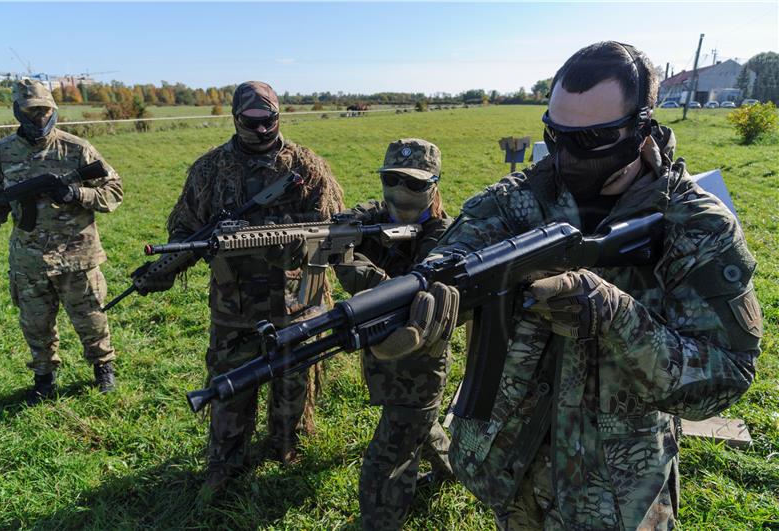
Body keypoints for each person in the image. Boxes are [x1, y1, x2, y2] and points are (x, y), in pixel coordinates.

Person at [371, 42, 762, 529]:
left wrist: (616, 315)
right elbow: (448, 263)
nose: (566, 156)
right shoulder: (515, 202)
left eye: (591, 139)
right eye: (556, 136)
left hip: (617, 496)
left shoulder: (699, 226)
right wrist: (411, 303)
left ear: (642, 130)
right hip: (509, 473)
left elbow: (725, 377)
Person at [141, 81, 343, 493]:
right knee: (231, 387)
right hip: (234, 307)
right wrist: (166, 267)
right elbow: (186, 229)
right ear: (235, 119)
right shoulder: (209, 169)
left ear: (279, 116)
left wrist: (296, 245)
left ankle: (287, 450)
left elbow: (335, 231)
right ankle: (226, 462)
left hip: (296, 303)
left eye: (269, 120)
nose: (262, 130)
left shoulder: (307, 167)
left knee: (294, 382)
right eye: (251, 122)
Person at [334, 139, 454, 530]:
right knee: (420, 424)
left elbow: (408, 294)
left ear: (434, 186)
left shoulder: (445, 236)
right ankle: (455, 466)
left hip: (420, 365)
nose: (401, 192)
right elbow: (360, 213)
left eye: (415, 183)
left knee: (386, 465)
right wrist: (340, 231)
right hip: (383, 359)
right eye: (392, 179)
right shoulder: (376, 218)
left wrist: (355, 265)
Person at [0, 79, 123, 405]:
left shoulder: (77, 149)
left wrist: (77, 193)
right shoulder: (2, 153)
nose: (39, 118)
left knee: (90, 317)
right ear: (18, 111)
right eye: (31, 112)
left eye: (45, 111)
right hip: (30, 259)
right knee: (35, 324)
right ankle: (43, 377)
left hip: (78, 255)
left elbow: (114, 191)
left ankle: (103, 367)